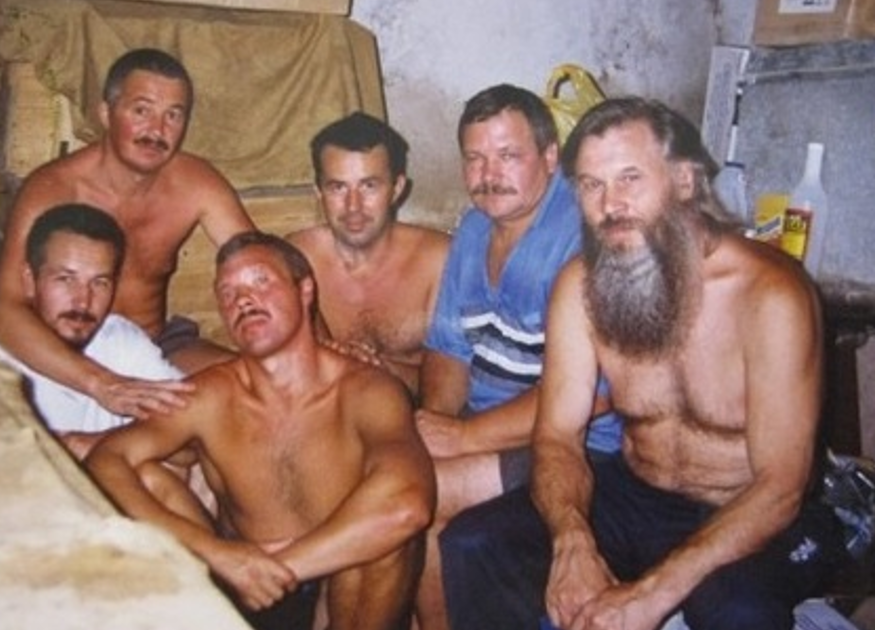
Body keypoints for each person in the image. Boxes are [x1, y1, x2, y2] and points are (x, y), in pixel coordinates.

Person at [440, 96, 846, 630]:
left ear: (684, 180)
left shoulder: (769, 294)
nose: (611, 204)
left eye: (629, 178)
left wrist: (652, 593)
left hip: (755, 513)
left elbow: (781, 487)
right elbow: (557, 436)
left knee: (734, 609)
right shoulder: (582, 286)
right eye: (591, 185)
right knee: (473, 543)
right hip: (638, 496)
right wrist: (572, 540)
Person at [86, 231, 436, 630]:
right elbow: (107, 459)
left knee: (386, 539)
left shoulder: (366, 390)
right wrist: (219, 556)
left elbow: (408, 504)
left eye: (261, 281)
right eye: (228, 292)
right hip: (240, 587)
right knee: (146, 479)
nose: (243, 299)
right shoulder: (210, 395)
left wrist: (276, 568)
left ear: (305, 290)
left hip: (335, 581)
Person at [413, 84, 620, 630]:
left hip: (574, 444)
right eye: (475, 158)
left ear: (551, 157)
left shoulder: (582, 236)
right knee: (395, 468)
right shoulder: (473, 228)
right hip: (486, 428)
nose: (489, 174)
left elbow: (596, 395)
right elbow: (449, 350)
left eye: (508, 155)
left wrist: (462, 439)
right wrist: (435, 425)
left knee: (413, 493)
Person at [0, 48, 255, 421]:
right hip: (65, 349)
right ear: (105, 113)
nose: (157, 131)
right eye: (141, 110)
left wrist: (317, 351)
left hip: (156, 343)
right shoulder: (52, 189)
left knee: (254, 393)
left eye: (173, 115)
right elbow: (3, 311)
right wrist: (102, 383)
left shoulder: (196, 183)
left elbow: (263, 267)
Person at [0, 204, 183, 460]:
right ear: (30, 281)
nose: (83, 301)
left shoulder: (120, 341)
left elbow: (192, 439)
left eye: (99, 282)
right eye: (66, 279)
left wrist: (82, 445)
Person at [288, 111, 450, 395]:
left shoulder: (440, 260)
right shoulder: (295, 259)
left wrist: (376, 369)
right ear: (318, 191)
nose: (354, 206)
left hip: (421, 411)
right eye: (338, 187)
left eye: (369, 186)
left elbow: (463, 379)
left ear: (397, 189)